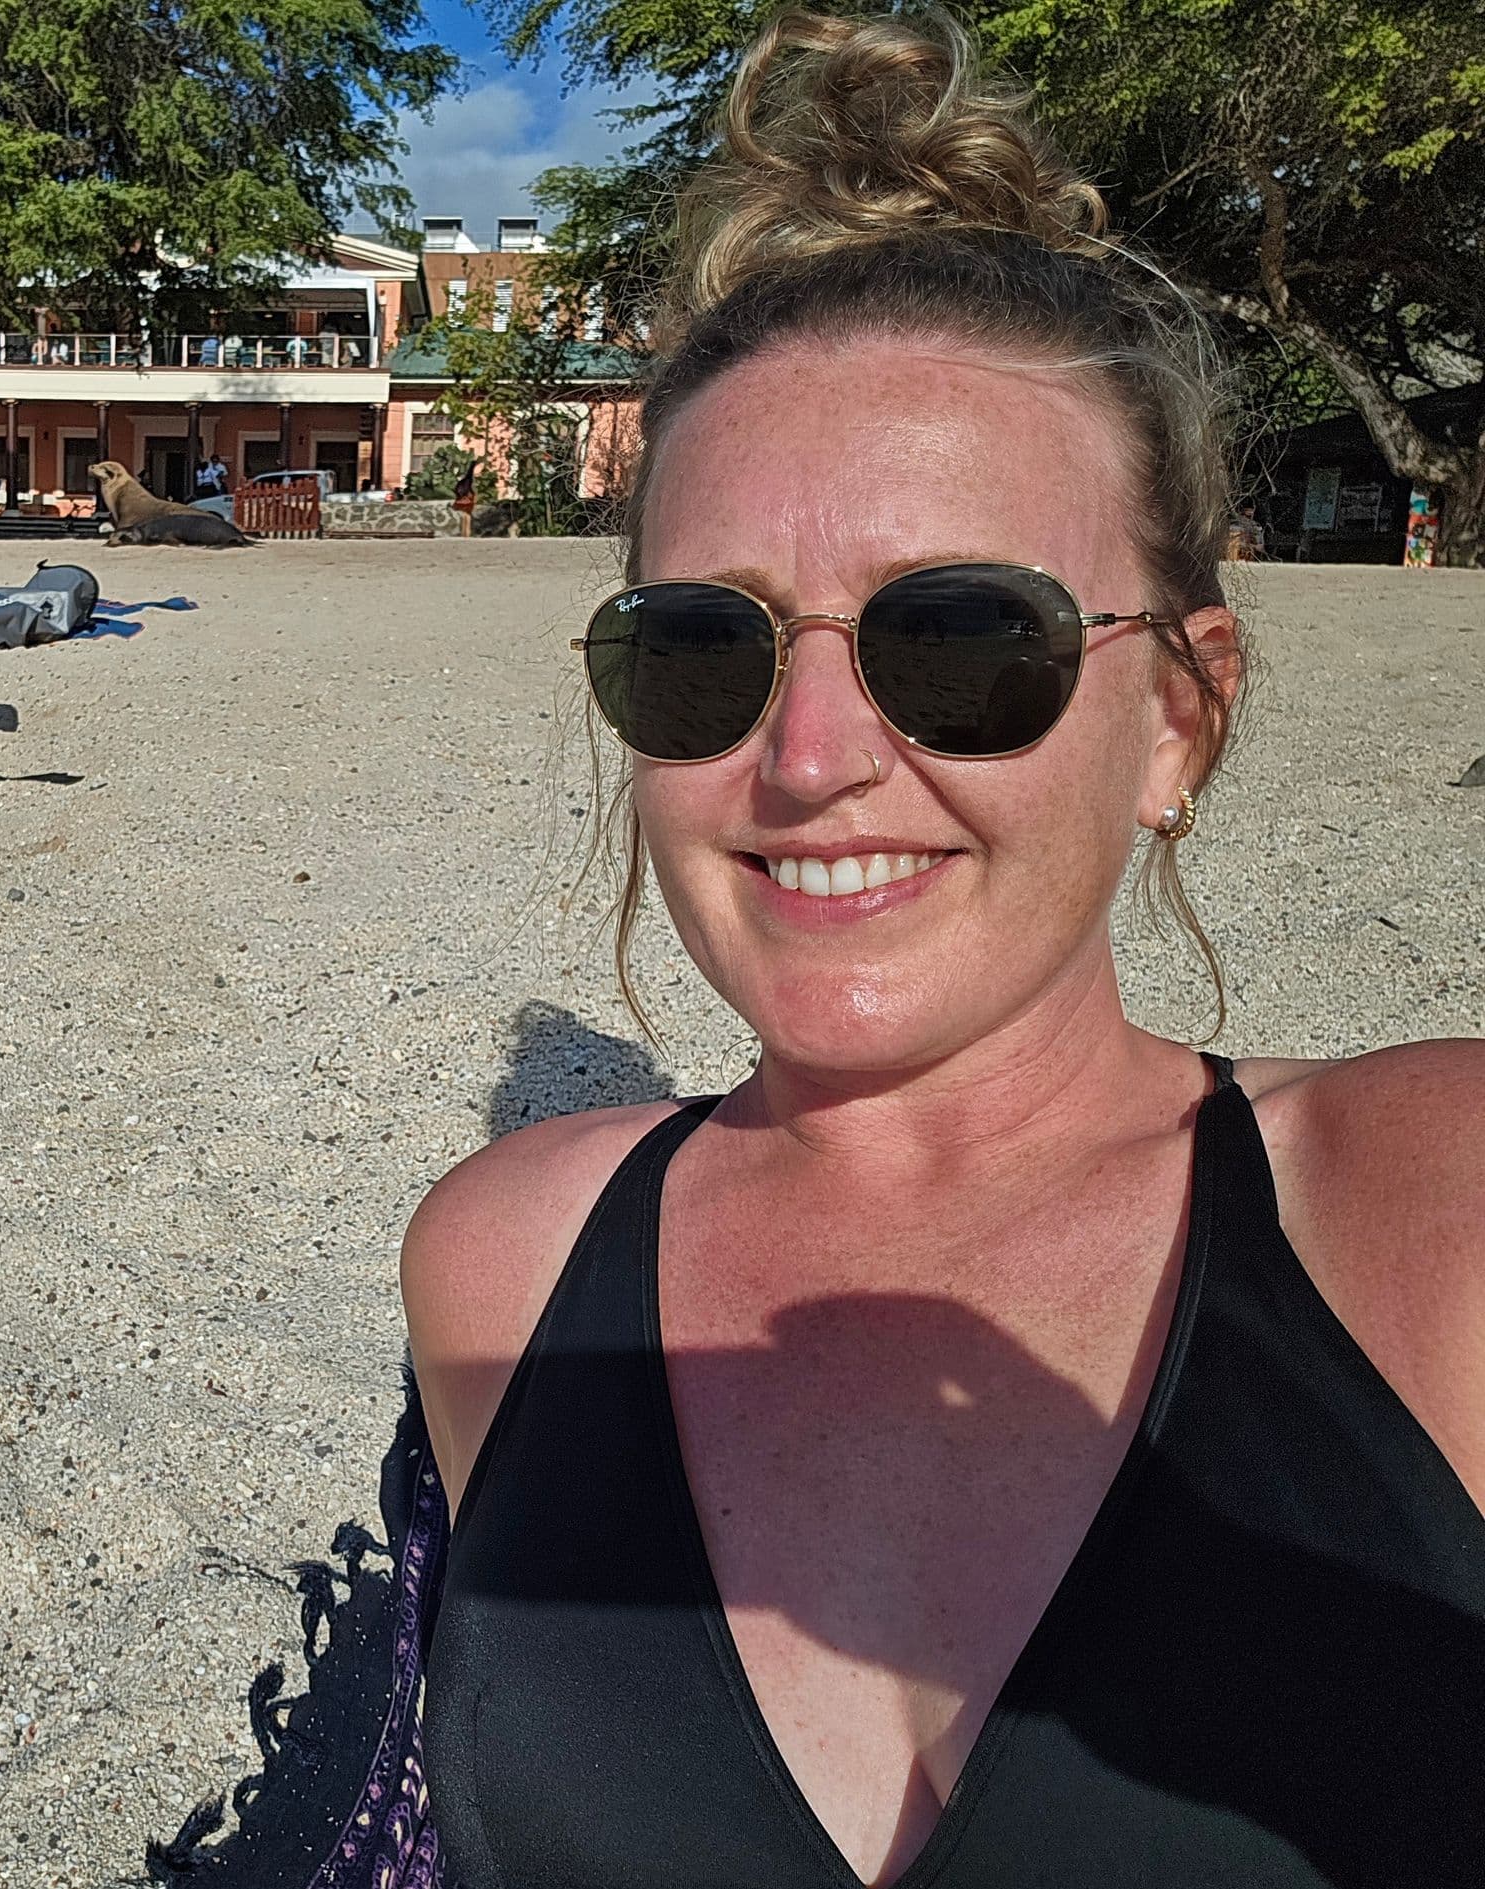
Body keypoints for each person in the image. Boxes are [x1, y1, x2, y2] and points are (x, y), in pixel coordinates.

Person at [401, 13, 1485, 1889]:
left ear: (1178, 716)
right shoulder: (499, 1262)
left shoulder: (1433, 1213)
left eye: (961, 638)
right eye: (701, 650)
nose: (808, 759)